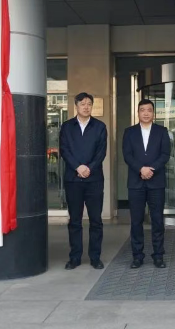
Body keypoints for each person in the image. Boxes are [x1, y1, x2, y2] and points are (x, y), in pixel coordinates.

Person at [59, 92, 108, 270]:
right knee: (75, 220)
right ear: (76, 106)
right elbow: (64, 150)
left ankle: (95, 257)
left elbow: (101, 152)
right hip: (73, 179)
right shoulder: (67, 127)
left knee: (96, 220)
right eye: (82, 104)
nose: (86, 107)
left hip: (94, 179)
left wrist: (89, 168)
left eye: (89, 104)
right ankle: (75, 257)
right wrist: (77, 167)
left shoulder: (100, 126)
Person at [122, 99, 171, 269]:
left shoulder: (162, 131)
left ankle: (158, 255)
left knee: (157, 220)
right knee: (136, 221)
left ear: (153, 113)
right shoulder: (129, 132)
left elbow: (165, 154)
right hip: (135, 183)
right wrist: (140, 169)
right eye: (142, 110)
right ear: (138, 113)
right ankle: (137, 256)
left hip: (156, 182)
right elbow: (127, 155)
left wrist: (151, 169)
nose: (146, 113)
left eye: (149, 110)